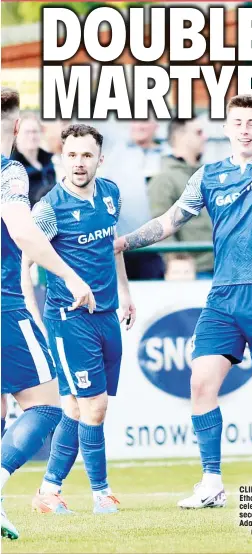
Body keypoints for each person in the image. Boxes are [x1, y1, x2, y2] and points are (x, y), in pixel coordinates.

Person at [114, 85, 252, 508]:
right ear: (226, 129)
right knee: (200, 381)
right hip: (222, 296)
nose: (244, 130)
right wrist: (126, 242)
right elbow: (170, 221)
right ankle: (211, 483)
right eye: (237, 123)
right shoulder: (208, 176)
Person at [21, 123, 136, 516]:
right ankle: (101, 493)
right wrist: (34, 314)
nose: (79, 163)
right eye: (71, 155)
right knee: (95, 406)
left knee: (75, 409)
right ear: (61, 158)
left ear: (99, 159)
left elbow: (113, 244)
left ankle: (48, 492)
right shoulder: (49, 209)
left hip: (106, 314)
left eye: (87, 155)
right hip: (69, 319)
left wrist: (125, 291)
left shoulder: (110, 194)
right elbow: (26, 260)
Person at [1, 88, 95, 540]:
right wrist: (71, 276)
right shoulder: (11, 171)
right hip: (4, 304)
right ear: (18, 128)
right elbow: (22, 230)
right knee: (46, 407)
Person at [148, 117, 214, 279]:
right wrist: (178, 262)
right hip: (196, 272)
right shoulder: (164, 179)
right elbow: (160, 226)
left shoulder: (208, 175)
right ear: (180, 137)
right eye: (198, 132)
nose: (204, 137)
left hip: (223, 267)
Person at [100, 119, 165, 280]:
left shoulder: (166, 155)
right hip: (122, 245)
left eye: (146, 120)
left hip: (157, 248)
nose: (140, 125)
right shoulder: (114, 152)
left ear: (156, 125)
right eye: (136, 120)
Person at [11, 112, 56, 207]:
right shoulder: (11, 166)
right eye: (27, 132)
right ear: (17, 134)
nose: (32, 136)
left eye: (35, 131)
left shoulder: (49, 160)